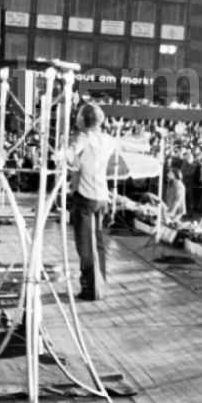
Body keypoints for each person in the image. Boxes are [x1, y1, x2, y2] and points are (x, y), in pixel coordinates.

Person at [65, 103, 113, 301]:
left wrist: (66, 156)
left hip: (85, 197)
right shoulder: (107, 140)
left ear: (84, 119)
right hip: (102, 196)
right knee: (99, 243)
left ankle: (90, 289)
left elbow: (69, 156)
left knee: (85, 244)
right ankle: (100, 286)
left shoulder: (83, 137)